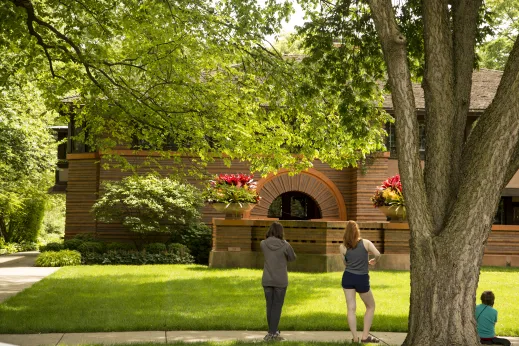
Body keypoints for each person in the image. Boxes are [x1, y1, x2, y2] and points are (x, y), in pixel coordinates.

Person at [340, 220, 382, 344]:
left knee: (351, 309)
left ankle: (355, 338)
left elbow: (346, 263)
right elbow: (378, 254)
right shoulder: (366, 243)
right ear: (357, 230)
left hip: (348, 277)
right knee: (371, 306)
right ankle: (365, 337)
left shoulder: (342, 247)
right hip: (362, 278)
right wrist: (374, 260)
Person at [260, 222, 297, 342]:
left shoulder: (263, 244)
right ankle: (272, 334)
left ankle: (272, 332)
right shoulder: (285, 245)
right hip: (280, 280)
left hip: (267, 279)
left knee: (269, 306)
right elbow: (292, 258)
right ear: (281, 232)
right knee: (277, 306)